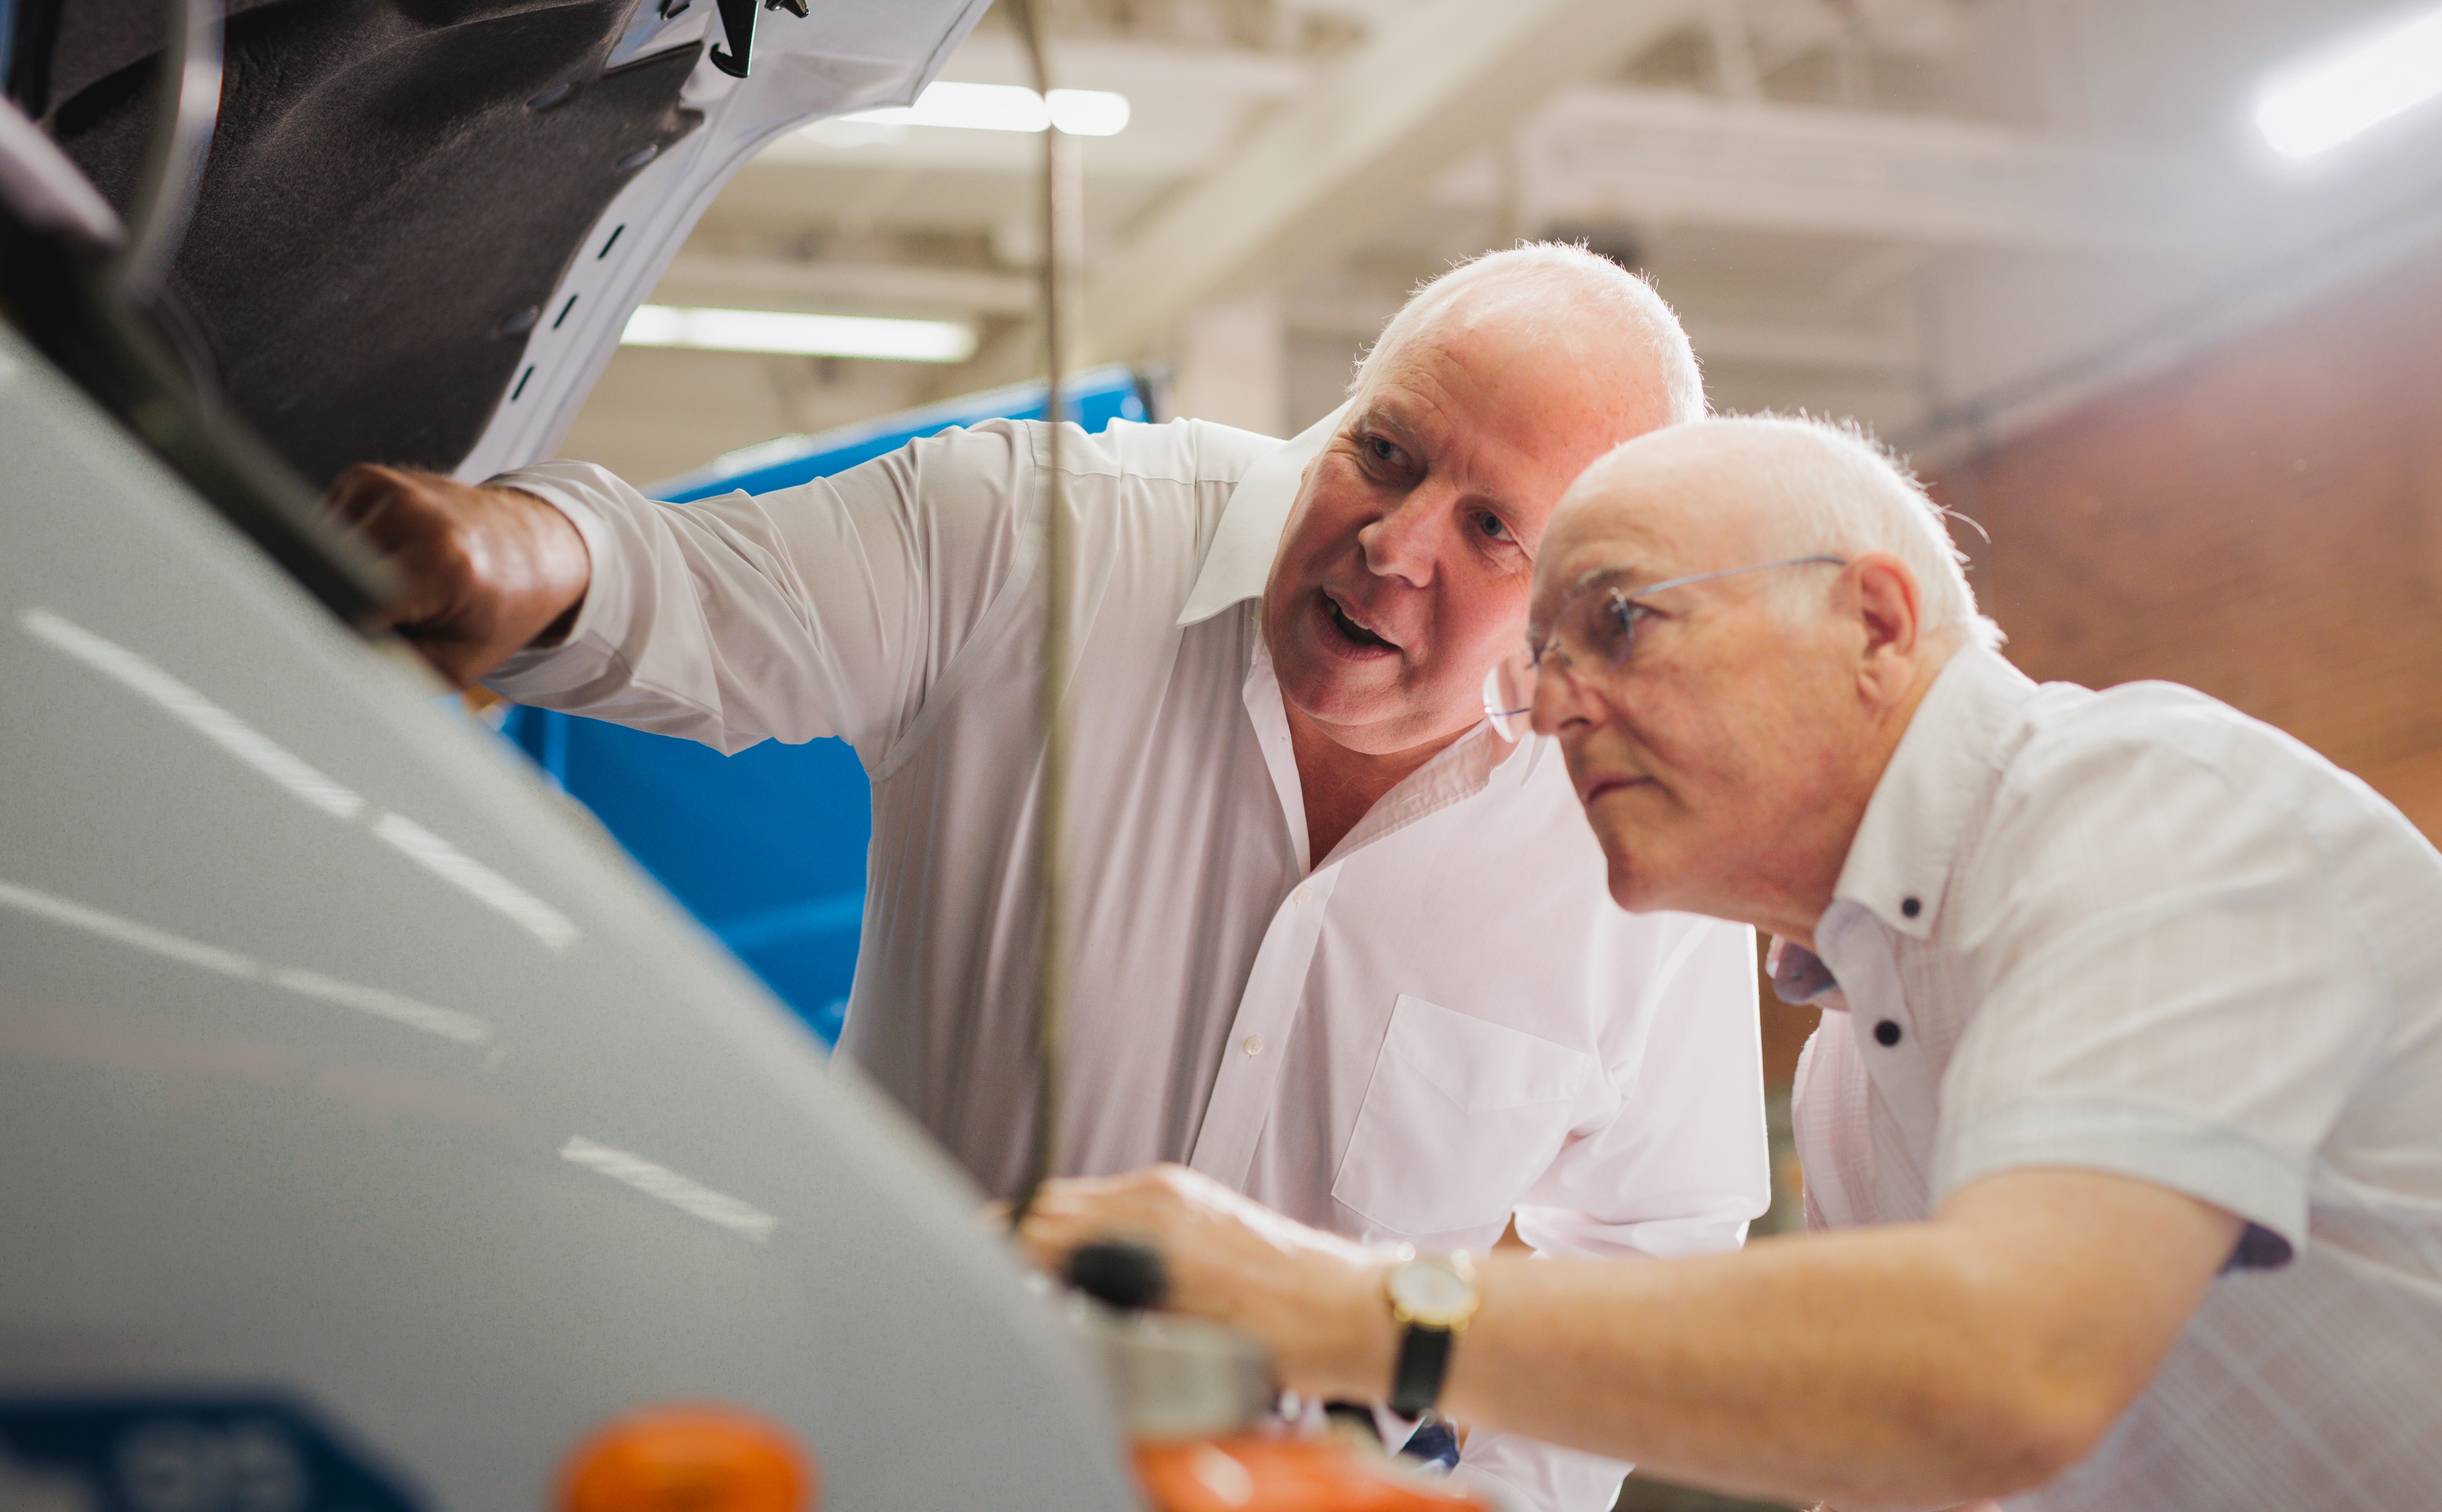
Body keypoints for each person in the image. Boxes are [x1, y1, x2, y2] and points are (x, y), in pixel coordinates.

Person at [1018, 413, 2442, 1510]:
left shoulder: (2140, 809)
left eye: (1617, 622)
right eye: (1536, 664)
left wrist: (1347, 1311)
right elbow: (1929, 1465)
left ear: (1873, 616)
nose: (1551, 704)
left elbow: (2005, 1366)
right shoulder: (1866, 1067)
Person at [328, 245, 1768, 1512]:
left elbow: (1650, 1244)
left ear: (1582, 606)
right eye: (1385, 453)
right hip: (882, 1464)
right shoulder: (1038, 537)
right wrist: (508, 548)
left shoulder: (1636, 830)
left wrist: (1499, 1504)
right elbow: (684, 586)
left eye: (1490, 528)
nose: (1392, 545)